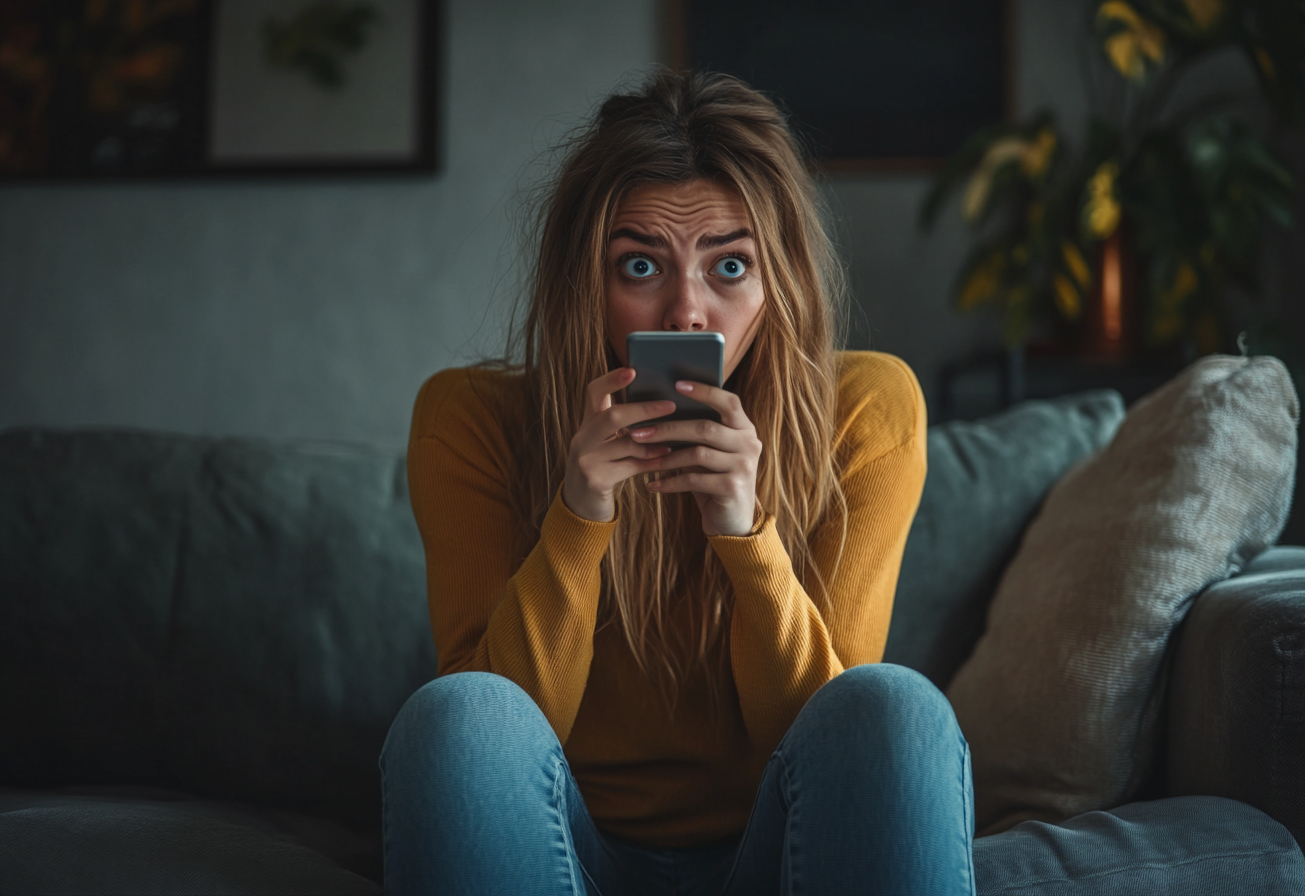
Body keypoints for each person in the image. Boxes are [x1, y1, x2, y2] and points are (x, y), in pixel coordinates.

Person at [382, 70, 975, 896]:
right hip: (561, 842)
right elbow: (495, 736)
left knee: (894, 706)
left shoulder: (866, 409)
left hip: (774, 844)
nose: (686, 313)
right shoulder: (469, 419)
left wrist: (747, 536)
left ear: (779, 286)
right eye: (640, 265)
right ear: (585, 283)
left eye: (730, 266)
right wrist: (579, 514)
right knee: (456, 716)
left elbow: (831, 736)